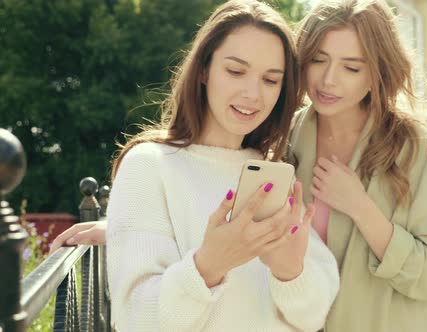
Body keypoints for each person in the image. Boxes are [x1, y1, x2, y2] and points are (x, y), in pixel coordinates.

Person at [49, 1, 340, 331]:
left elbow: (314, 317)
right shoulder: (149, 165)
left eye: (271, 80)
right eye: (235, 71)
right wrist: (208, 266)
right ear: (203, 70)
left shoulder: (275, 177)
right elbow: (135, 319)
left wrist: (291, 272)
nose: (252, 94)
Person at [287, 0, 427, 331]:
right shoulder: (284, 138)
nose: (328, 80)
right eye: (318, 60)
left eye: (351, 68)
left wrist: (361, 208)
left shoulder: (414, 149)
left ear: (377, 74)